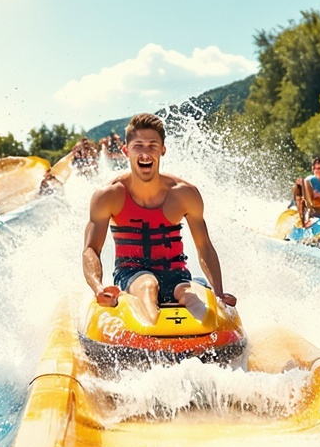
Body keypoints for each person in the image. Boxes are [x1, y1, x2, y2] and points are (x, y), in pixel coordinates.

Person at [83, 113, 236, 326]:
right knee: (148, 284)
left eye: (152, 146)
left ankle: (208, 333)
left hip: (177, 275)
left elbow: (204, 246)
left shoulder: (185, 193)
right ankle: (152, 336)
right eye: (138, 146)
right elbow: (91, 249)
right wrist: (98, 288)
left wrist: (218, 293)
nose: (145, 153)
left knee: (191, 296)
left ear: (162, 150)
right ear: (126, 151)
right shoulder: (108, 195)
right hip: (132, 275)